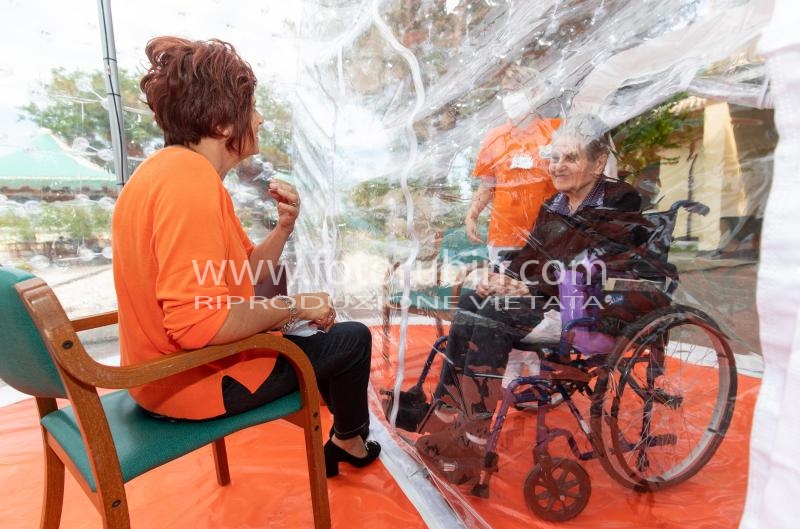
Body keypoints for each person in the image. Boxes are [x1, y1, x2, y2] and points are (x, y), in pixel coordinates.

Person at [112, 36, 379, 478]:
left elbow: (241, 273)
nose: (258, 117)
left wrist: (283, 229)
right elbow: (198, 325)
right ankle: (349, 439)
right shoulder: (190, 182)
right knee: (352, 339)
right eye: (250, 106)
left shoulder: (165, 171)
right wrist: (295, 305)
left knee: (324, 335)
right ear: (222, 124)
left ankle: (345, 436)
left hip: (156, 380)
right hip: (192, 382)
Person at [411, 114, 662, 485]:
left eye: (570, 158)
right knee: (473, 300)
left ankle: (474, 437)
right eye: (555, 158)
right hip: (548, 303)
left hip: (589, 310)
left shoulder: (620, 199)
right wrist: (504, 277)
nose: (558, 166)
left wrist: (524, 289)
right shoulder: (555, 204)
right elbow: (532, 255)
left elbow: (595, 263)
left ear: (597, 162)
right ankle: (449, 411)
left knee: (493, 314)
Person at [464, 64, 560, 266]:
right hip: (504, 236)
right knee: (504, 295)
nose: (509, 98)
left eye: (515, 90)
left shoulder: (556, 131)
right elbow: (487, 184)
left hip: (550, 235)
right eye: (505, 92)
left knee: (544, 294)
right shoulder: (495, 137)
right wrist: (472, 215)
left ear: (535, 92)